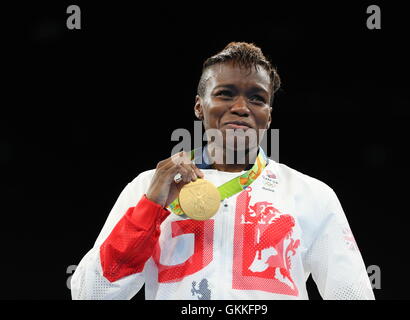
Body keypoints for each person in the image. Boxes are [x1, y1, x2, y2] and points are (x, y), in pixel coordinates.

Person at [71, 42, 375, 300]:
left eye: (258, 98)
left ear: (268, 115)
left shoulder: (312, 195)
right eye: (225, 94)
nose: (242, 107)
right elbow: (89, 293)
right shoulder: (147, 188)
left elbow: (353, 294)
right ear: (199, 106)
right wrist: (151, 208)